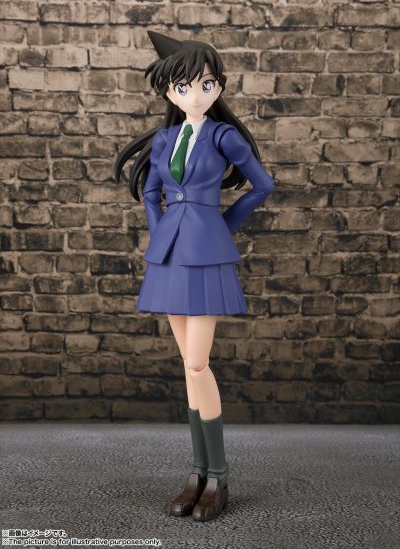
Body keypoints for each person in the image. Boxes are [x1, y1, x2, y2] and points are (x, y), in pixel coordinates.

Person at [114, 31, 276, 522]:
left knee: (199, 364)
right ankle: (197, 472)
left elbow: (261, 186)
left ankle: (219, 475)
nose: (195, 94)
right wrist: (161, 230)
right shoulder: (165, 140)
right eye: (183, 87)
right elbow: (151, 193)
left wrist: (221, 226)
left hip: (206, 254)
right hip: (170, 256)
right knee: (188, 366)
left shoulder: (224, 137)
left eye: (205, 84)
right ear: (170, 91)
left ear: (218, 86)